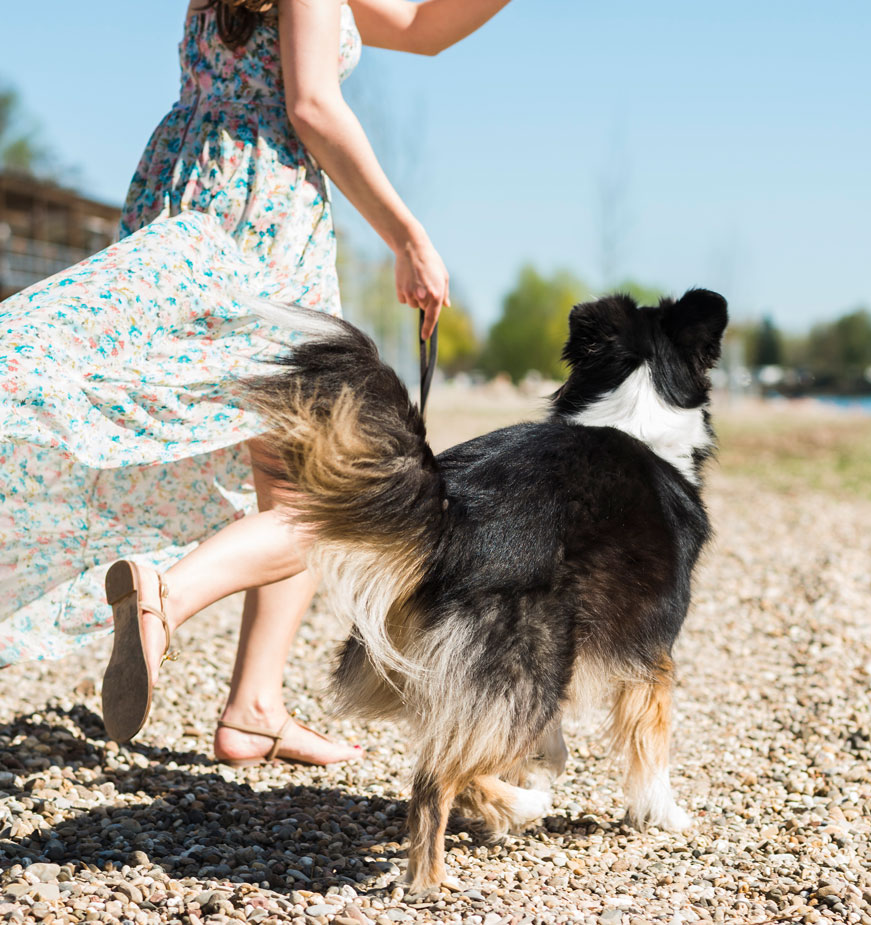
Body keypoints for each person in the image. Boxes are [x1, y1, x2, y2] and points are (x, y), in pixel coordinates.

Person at [0, 0, 511, 765]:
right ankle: (164, 599)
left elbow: (419, 28)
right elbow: (310, 103)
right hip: (263, 215)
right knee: (339, 492)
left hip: (184, 200)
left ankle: (254, 707)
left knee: (293, 483)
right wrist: (408, 235)